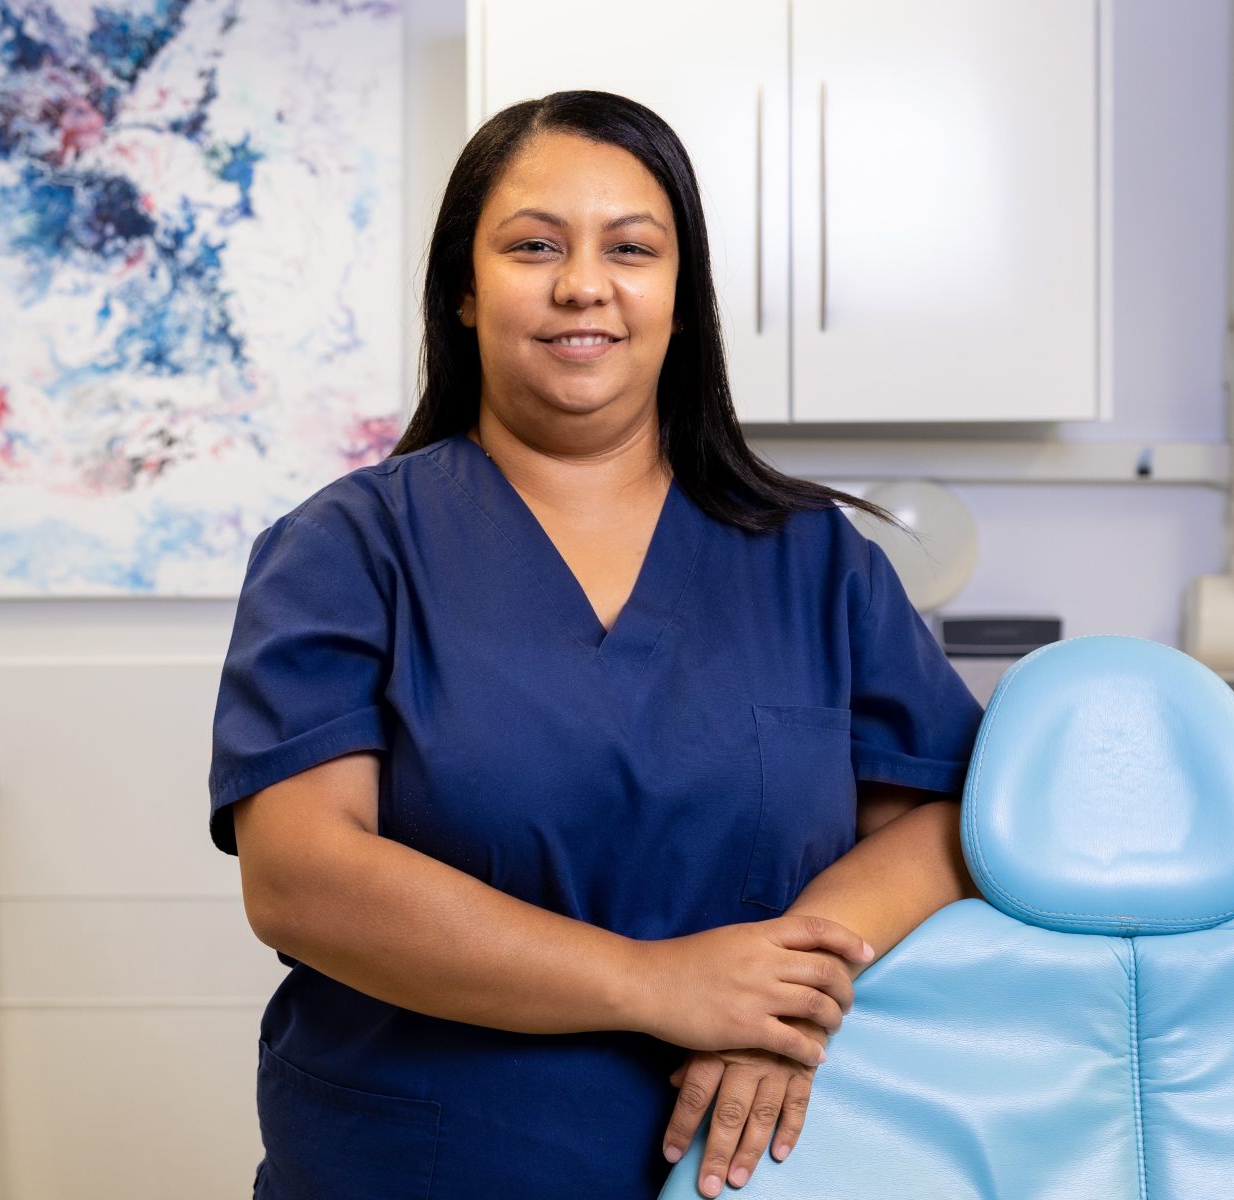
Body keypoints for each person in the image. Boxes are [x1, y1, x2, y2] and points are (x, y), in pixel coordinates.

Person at [209, 90, 985, 1199]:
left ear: (680, 297)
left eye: (631, 248)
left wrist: (777, 995)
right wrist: (656, 984)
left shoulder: (813, 560)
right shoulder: (346, 550)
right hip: (424, 1167)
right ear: (465, 291)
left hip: (753, 1175)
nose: (584, 284)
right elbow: (301, 879)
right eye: (534, 246)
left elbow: (945, 820)